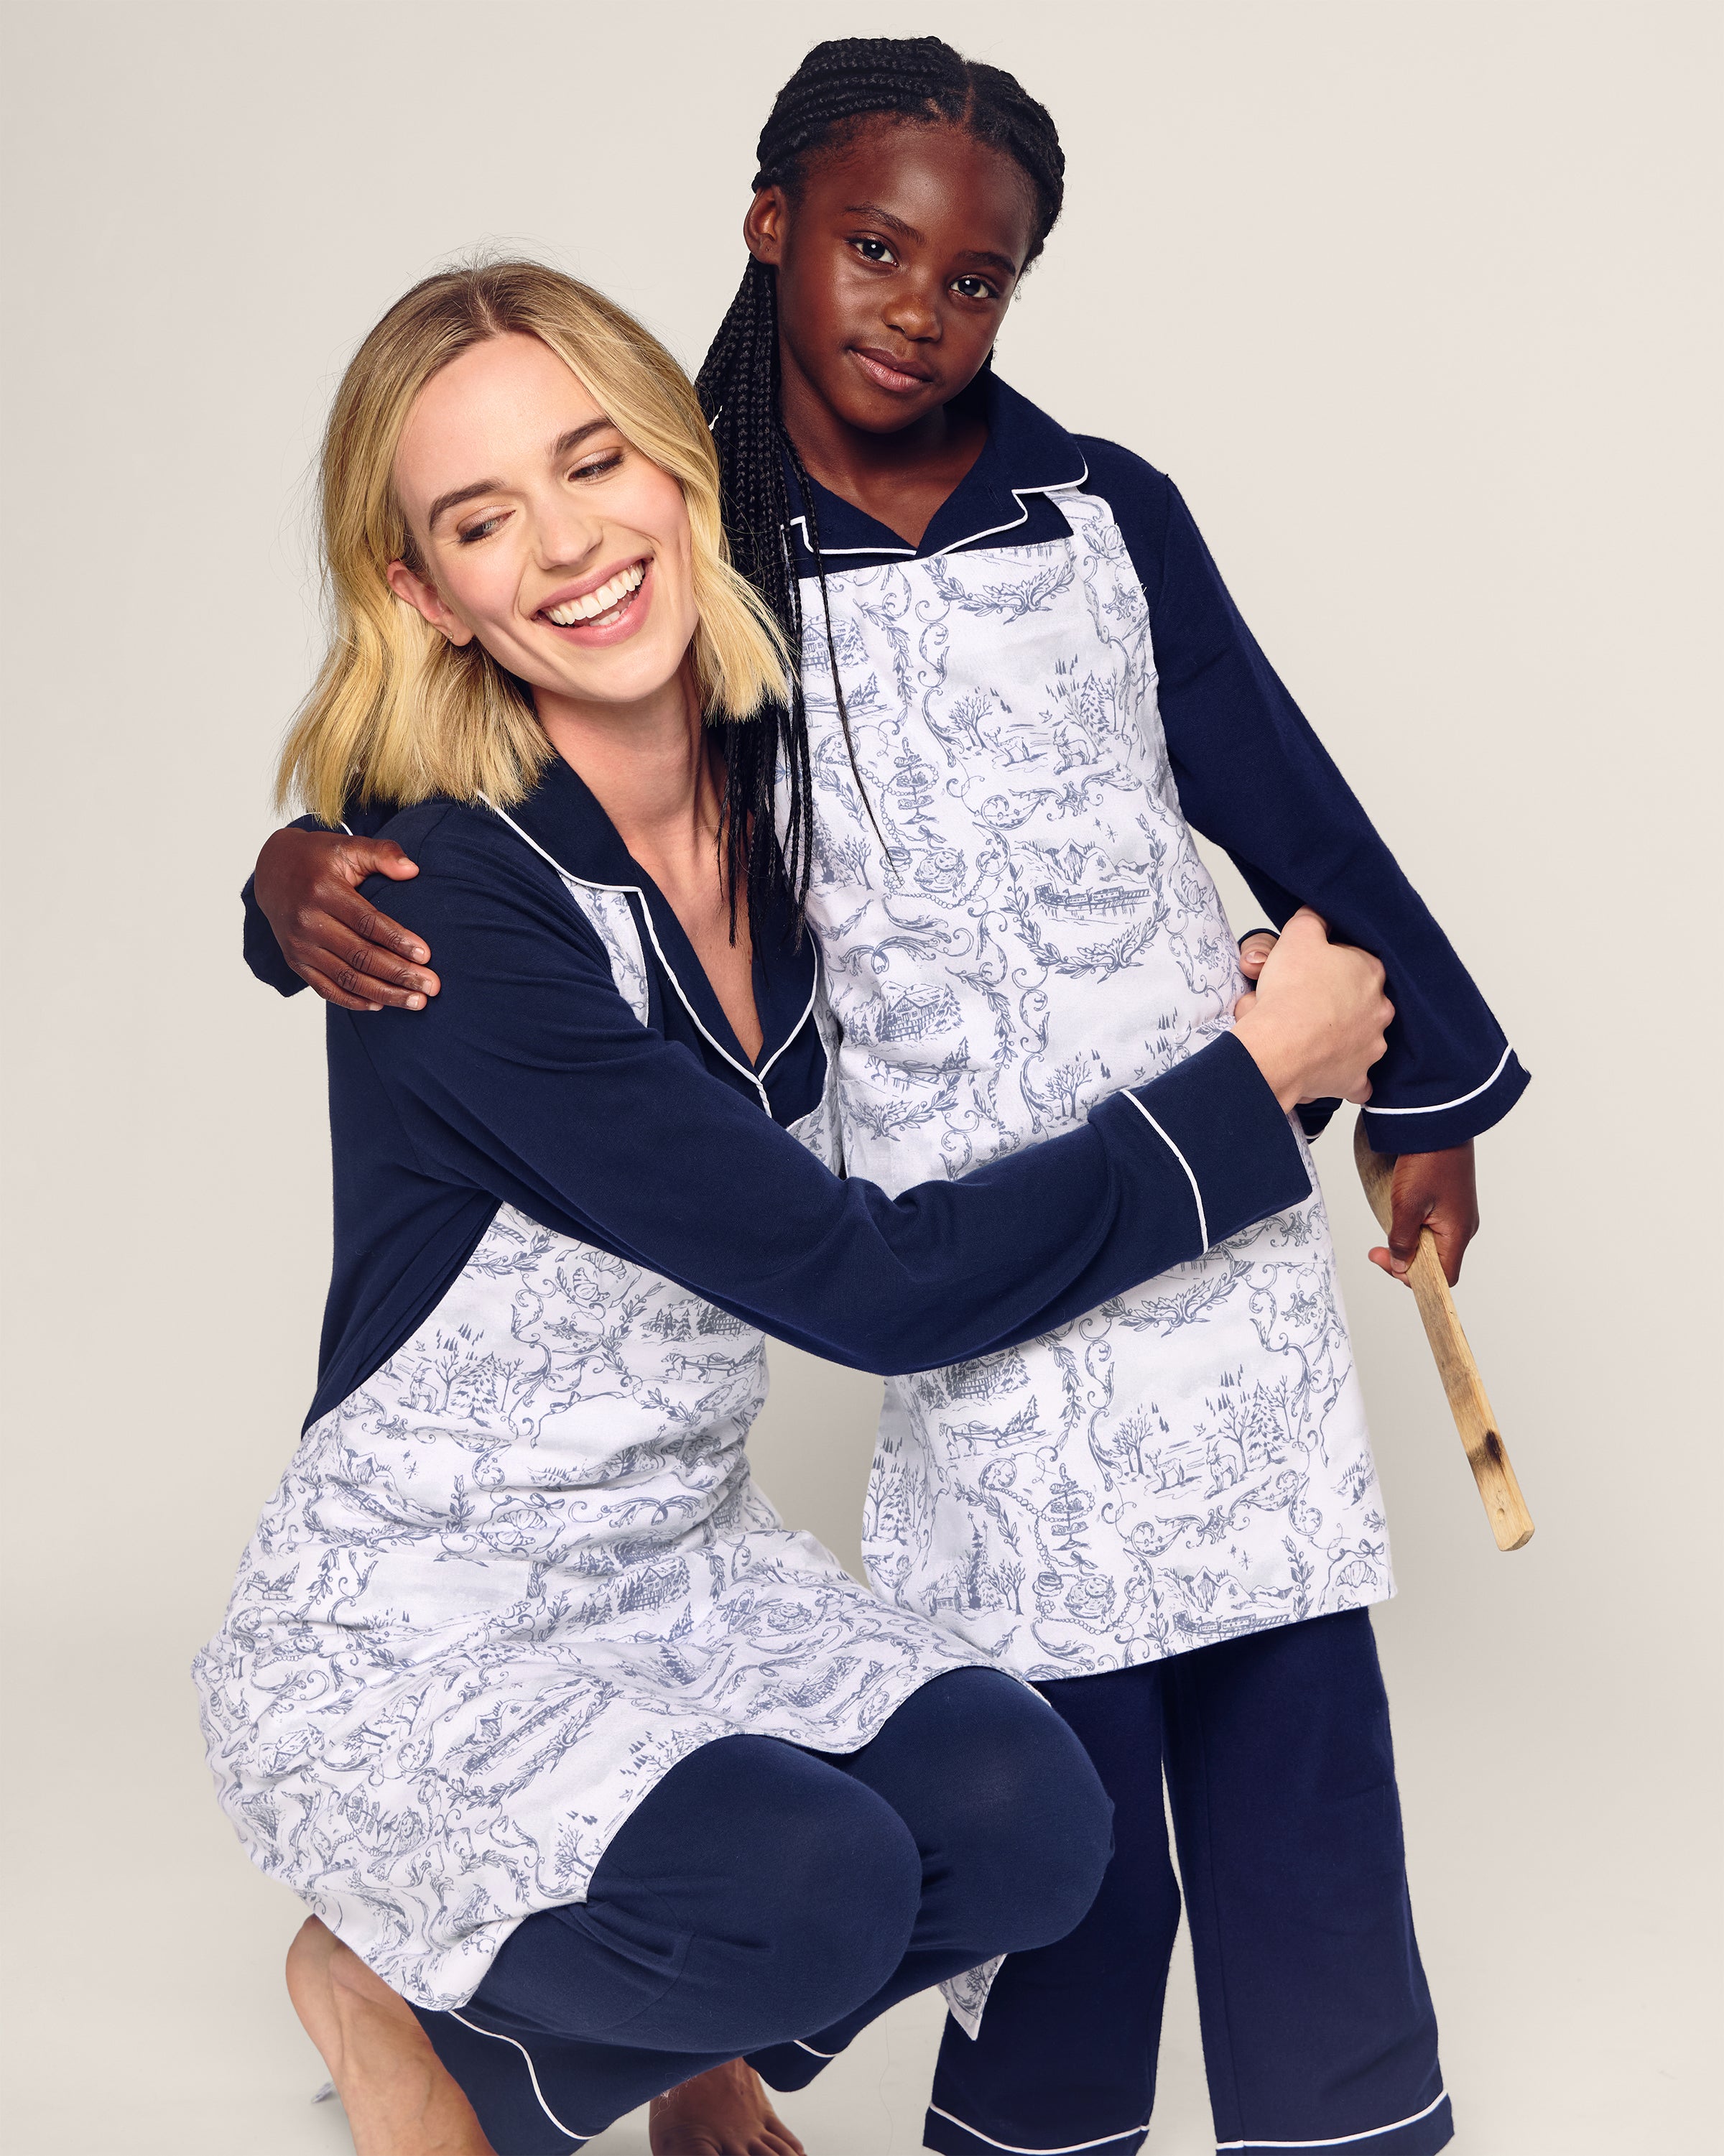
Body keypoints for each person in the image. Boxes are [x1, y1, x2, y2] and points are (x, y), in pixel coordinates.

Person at [242, 40, 1525, 2156]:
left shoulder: (1055, 533)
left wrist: (1419, 1078)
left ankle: (1313, 2115)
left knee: (1175, 1766)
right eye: (869, 249)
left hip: (1078, 1300)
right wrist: (291, 881)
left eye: (976, 278)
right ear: (770, 227)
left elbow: (1280, 785)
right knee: (976, 1790)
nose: (920, 310)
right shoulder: (651, 650)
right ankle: (590, 2037)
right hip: (857, 1316)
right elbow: (445, 827)